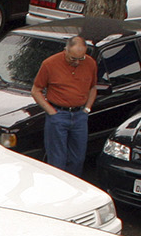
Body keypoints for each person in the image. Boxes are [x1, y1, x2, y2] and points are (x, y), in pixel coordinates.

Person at [31, 35, 97, 176]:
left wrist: (87, 108)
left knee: (78, 158)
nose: (77, 62)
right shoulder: (50, 64)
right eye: (73, 58)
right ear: (65, 50)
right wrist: (51, 111)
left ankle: (72, 190)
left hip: (80, 115)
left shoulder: (90, 63)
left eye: (81, 58)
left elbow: (93, 87)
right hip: (58, 114)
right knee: (57, 160)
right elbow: (36, 90)